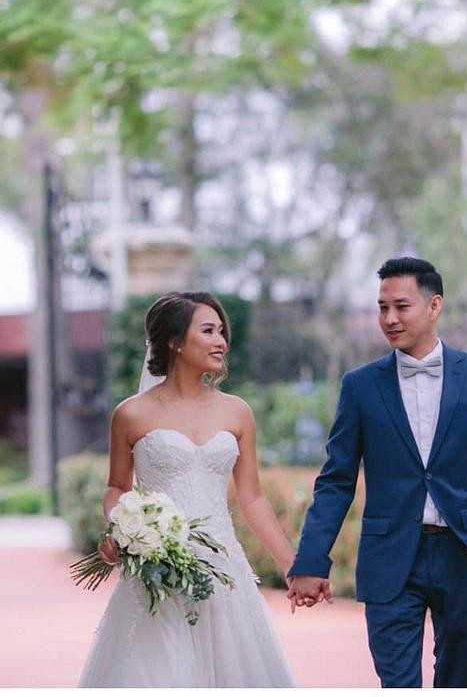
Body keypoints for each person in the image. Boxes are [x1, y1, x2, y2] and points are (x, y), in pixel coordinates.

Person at [287, 257, 467, 688]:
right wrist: (310, 561)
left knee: (456, 682)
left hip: (466, 555)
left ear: (434, 306)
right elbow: (337, 480)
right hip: (390, 557)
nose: (389, 318)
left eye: (401, 306)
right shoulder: (359, 386)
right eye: (381, 308)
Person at [77, 291, 297, 687]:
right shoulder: (131, 413)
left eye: (222, 332)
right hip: (154, 572)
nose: (221, 342)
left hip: (223, 570)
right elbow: (116, 488)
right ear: (175, 341)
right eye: (209, 331)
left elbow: (252, 497)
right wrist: (118, 526)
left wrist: (291, 565)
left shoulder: (237, 412)